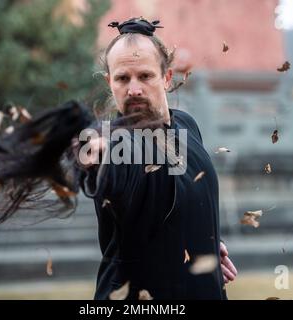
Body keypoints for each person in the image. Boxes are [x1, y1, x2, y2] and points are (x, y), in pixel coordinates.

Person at [76, 17, 237, 300]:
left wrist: (205, 241)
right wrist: (95, 159)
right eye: (122, 78)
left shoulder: (186, 126)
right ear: (109, 82)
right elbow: (118, 174)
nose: (134, 88)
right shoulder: (115, 143)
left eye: (145, 76)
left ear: (165, 77)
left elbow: (174, 191)